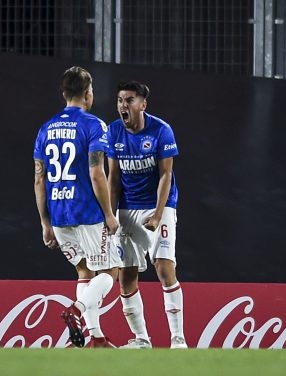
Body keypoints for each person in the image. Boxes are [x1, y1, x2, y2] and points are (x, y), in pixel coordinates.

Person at [33, 66, 121, 348]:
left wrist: (45, 223)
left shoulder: (45, 129)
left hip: (59, 215)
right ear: (88, 93)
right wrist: (108, 213)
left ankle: (94, 337)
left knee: (84, 272)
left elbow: (39, 179)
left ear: (63, 94)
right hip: (88, 212)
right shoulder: (95, 125)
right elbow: (97, 172)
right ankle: (77, 310)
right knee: (110, 272)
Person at [107, 81, 187, 349]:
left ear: (143, 104)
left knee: (165, 268)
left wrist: (157, 214)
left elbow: (166, 175)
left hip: (159, 206)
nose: (123, 105)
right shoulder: (114, 131)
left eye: (129, 100)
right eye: (120, 100)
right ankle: (142, 340)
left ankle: (178, 340)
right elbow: (113, 177)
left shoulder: (161, 130)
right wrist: (109, 215)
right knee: (126, 274)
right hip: (128, 207)